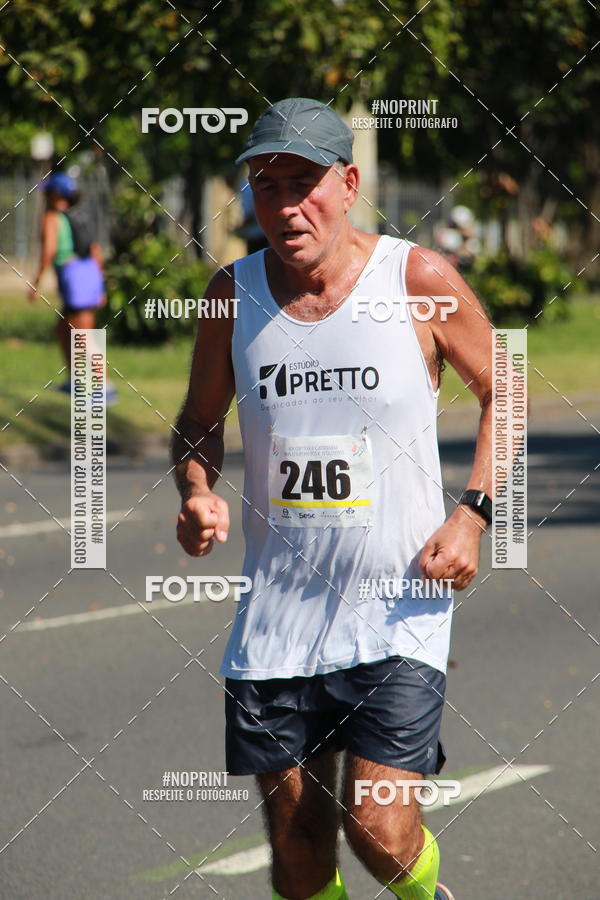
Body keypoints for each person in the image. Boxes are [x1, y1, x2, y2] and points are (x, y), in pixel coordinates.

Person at [172, 98, 494, 900]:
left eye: (303, 182)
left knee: (378, 832)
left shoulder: (413, 277)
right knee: (300, 850)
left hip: (399, 606)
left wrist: (473, 513)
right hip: (276, 620)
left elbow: (508, 389)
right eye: (266, 183)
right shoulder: (230, 294)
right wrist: (196, 488)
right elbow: (196, 424)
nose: (284, 205)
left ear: (348, 183)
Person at [28, 171, 116, 402]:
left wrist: (35, 282)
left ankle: (105, 385)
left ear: (55, 194)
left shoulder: (51, 217)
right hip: (88, 275)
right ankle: (76, 381)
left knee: (82, 334)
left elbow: (49, 250)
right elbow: (96, 251)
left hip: (74, 277)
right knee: (63, 329)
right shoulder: (80, 216)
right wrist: (101, 286)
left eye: (47, 191)